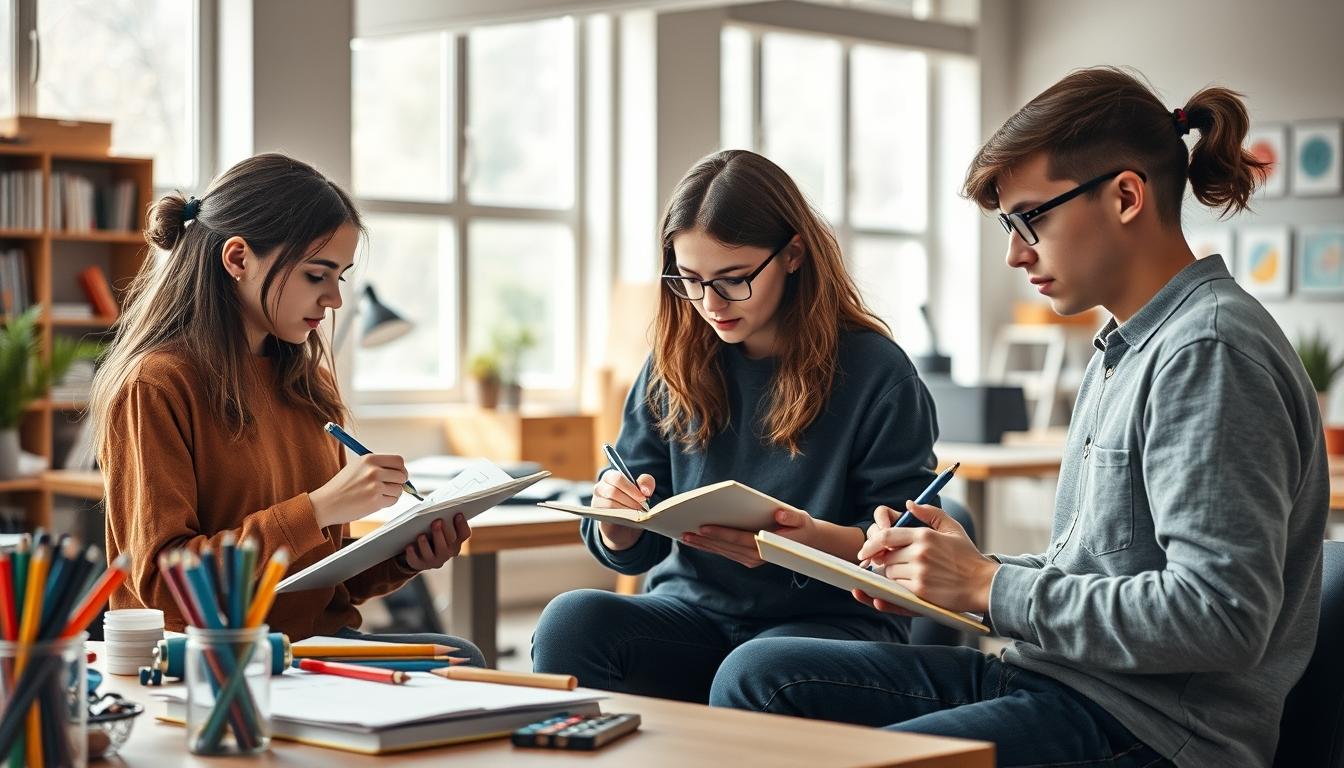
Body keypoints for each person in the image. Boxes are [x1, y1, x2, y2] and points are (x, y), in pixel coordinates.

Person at [709, 67, 1329, 768]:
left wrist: (987, 586)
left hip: (1153, 730)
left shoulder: (1208, 352)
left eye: (1031, 218)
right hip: (1062, 680)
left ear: (1127, 196)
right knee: (759, 676)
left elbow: (1221, 619)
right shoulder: (1123, 348)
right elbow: (1097, 570)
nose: (1014, 251)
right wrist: (960, 570)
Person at [531, 149, 941, 702]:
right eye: (690, 279)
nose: (709, 303)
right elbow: (634, 547)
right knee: (571, 619)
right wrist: (616, 523)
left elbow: (904, 549)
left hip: (830, 623)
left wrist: (804, 541)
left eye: (733, 279)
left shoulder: (876, 372)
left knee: (756, 666)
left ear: (793, 254)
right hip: (693, 613)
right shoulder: (672, 362)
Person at [93, 153, 484, 664]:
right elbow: (166, 584)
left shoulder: (307, 385)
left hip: (310, 648)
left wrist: (404, 557)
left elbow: (317, 584)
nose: (334, 301)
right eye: (316, 275)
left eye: (339, 278)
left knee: (460, 658)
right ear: (237, 259)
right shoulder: (157, 384)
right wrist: (318, 508)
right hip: (218, 658)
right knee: (461, 663)